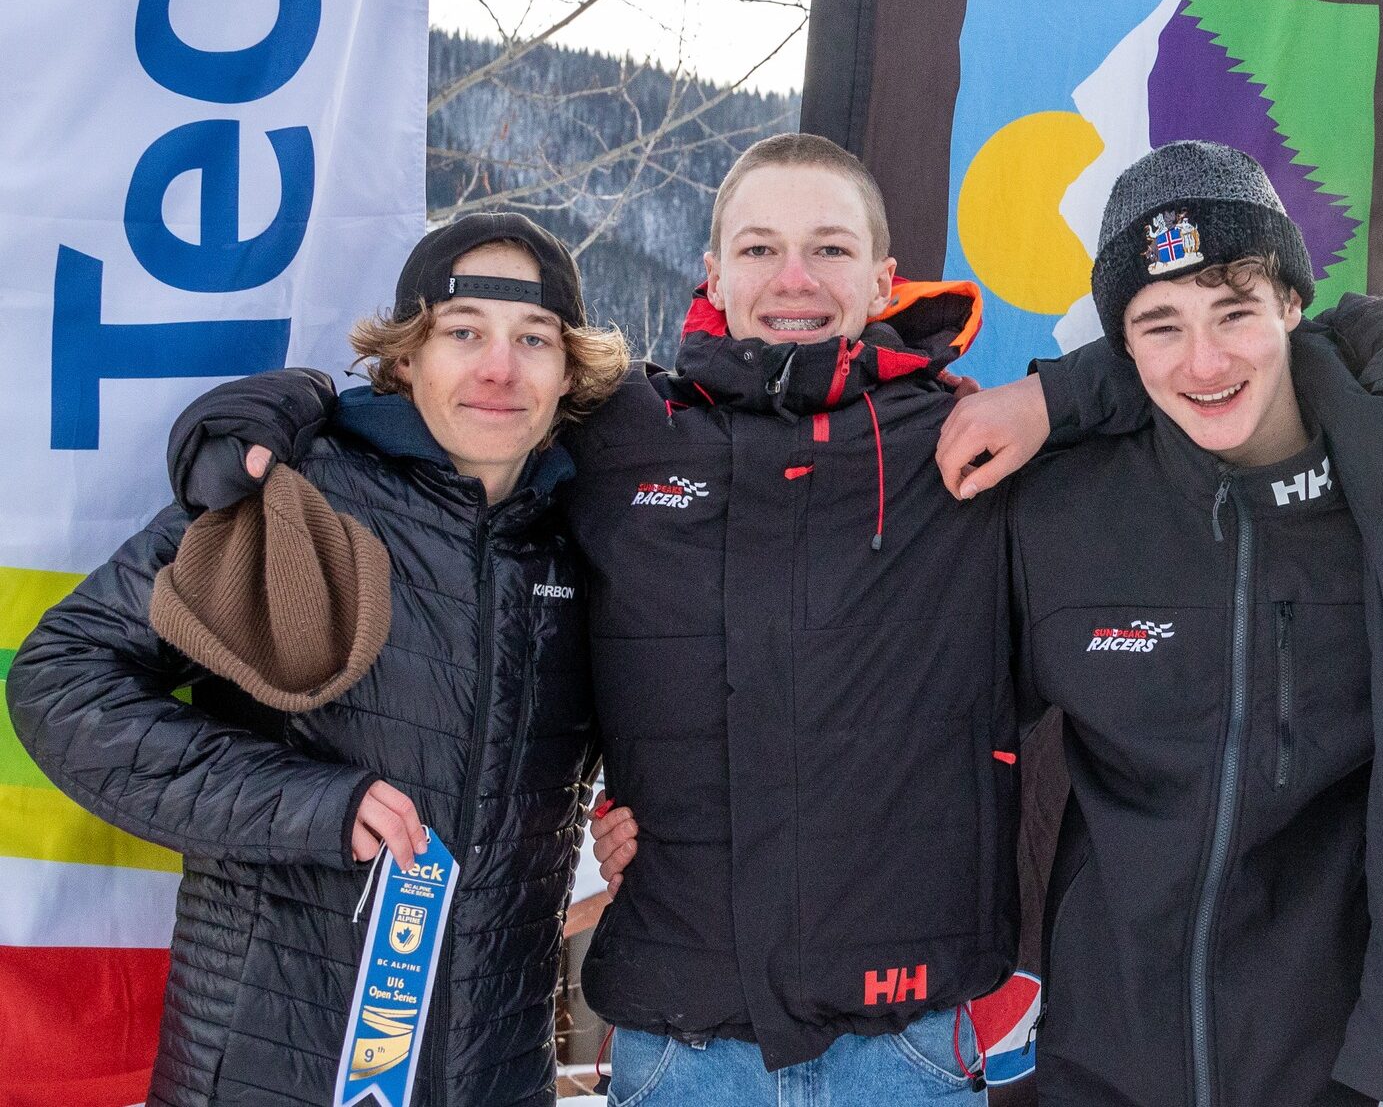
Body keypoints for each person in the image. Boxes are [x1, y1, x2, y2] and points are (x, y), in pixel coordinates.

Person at [161, 133, 1021, 1104]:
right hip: (677, 1047)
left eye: (826, 248)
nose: (792, 277)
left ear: (880, 279)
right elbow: (456, 406)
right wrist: (292, 404)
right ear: (712, 271)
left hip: (900, 1048)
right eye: (756, 248)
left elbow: (1163, 431)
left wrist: (1061, 398)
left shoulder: (968, 445)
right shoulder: (621, 432)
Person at [8, 212, 629, 1107]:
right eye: (463, 334)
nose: (499, 368)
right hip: (263, 1071)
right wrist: (310, 808)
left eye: (532, 339)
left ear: (568, 369)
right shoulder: (299, 495)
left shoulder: (591, 535)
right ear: (408, 356)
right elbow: (63, 680)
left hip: (494, 1077)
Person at [928, 141, 1383, 1105]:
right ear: (1122, 349)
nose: (1204, 360)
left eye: (1234, 311)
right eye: (1160, 324)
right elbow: (917, 727)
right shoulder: (1062, 512)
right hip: (1102, 1064)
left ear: (1290, 304)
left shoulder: (1375, 494)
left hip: (1335, 1069)